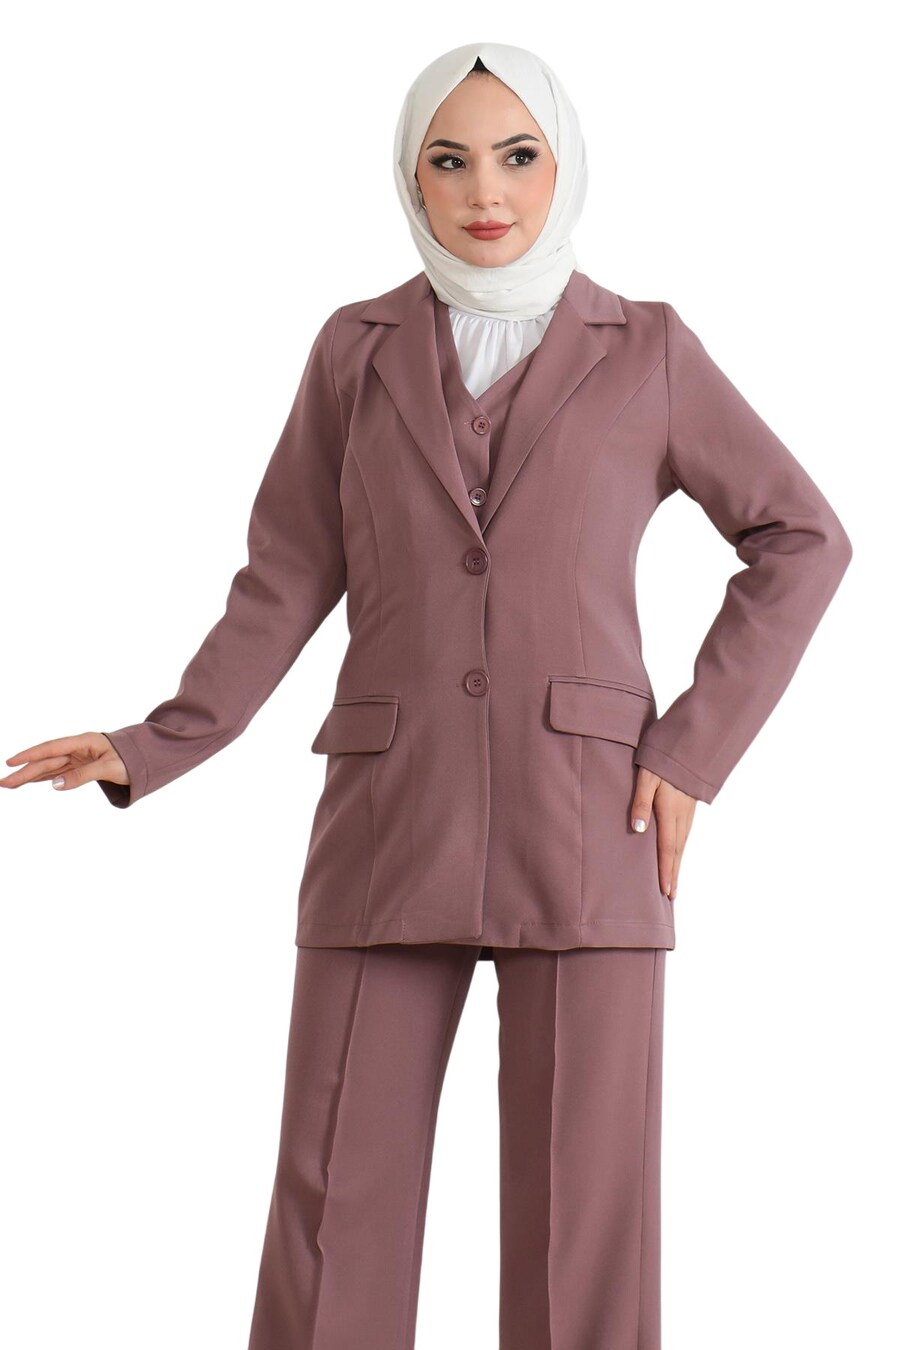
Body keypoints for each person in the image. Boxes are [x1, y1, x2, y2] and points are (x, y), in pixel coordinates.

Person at [1, 42, 852, 1350]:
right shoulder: (356, 347)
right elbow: (286, 576)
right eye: (448, 161)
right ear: (412, 178)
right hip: (389, 816)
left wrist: (692, 751)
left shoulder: (652, 349)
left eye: (516, 156)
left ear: (563, 167)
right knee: (333, 1213)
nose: (485, 190)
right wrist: (153, 744)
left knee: (584, 1243)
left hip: (592, 822)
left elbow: (803, 538)